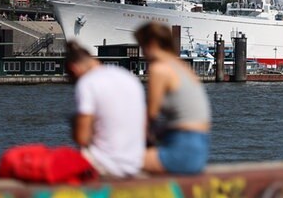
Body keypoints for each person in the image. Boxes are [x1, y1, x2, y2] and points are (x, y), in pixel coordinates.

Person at [134, 22, 211, 175]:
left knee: (116, 162)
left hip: (183, 147)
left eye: (142, 46)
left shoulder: (159, 69)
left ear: (152, 44)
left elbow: (151, 115)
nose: (142, 53)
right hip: (200, 146)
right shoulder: (182, 67)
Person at [66, 41, 146, 177]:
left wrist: (75, 125)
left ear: (74, 69)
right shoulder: (128, 77)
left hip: (106, 164)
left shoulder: (88, 82)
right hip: (135, 162)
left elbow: (82, 138)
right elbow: (143, 126)